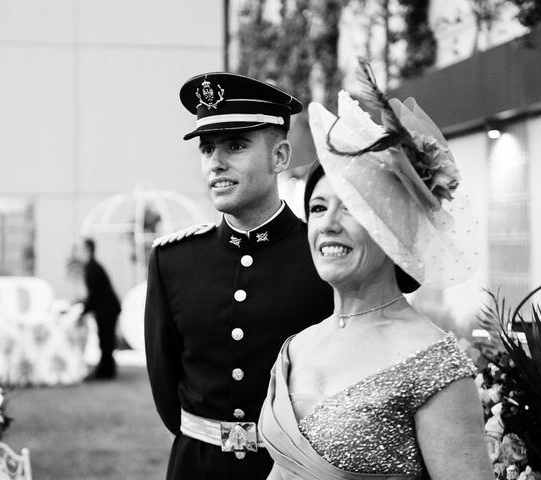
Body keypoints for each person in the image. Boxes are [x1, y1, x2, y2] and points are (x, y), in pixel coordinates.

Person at [258, 64, 494, 480]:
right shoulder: (297, 346)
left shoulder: (431, 362)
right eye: (317, 208)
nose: (328, 223)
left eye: (350, 208)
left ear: (394, 229)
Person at [144, 72, 334, 480]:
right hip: (197, 468)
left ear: (279, 157)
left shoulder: (323, 255)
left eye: (236, 145)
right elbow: (166, 392)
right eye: (207, 148)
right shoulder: (172, 260)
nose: (216, 162)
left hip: (295, 470)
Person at [78, 237, 121, 380]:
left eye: (80, 248)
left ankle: (106, 371)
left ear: (87, 250)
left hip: (107, 310)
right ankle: (105, 370)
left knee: (106, 340)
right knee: (104, 340)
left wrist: (83, 311)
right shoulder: (92, 267)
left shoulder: (93, 268)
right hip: (105, 309)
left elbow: (94, 294)